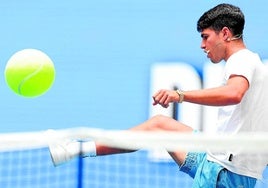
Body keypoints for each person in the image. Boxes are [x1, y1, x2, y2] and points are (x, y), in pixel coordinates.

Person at [48, 3, 268, 188]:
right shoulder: (258, 67)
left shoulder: (242, 60)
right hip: (215, 159)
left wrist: (179, 95)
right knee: (158, 125)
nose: (202, 45)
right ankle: (73, 149)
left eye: (205, 37)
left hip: (223, 174)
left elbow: (234, 93)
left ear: (226, 34)